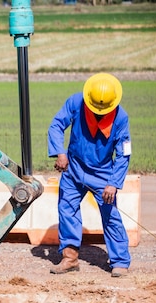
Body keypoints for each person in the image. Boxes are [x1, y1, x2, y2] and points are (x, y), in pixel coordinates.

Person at [47, 73, 132, 277]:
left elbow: (123, 153)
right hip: (73, 168)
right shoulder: (76, 102)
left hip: (103, 174)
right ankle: (70, 258)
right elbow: (57, 125)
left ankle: (120, 261)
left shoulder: (121, 118)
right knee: (67, 209)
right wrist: (60, 152)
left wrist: (113, 183)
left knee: (110, 216)